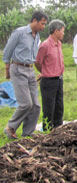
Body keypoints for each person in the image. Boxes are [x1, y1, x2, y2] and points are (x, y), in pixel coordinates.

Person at [3, 11, 48, 139]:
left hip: (29, 70)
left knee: (36, 105)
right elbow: (7, 51)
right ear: (34, 20)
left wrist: (37, 72)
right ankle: (10, 127)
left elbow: (33, 56)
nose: (43, 27)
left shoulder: (37, 36)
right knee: (26, 103)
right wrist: (7, 68)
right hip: (18, 68)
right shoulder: (20, 33)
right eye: (42, 24)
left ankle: (28, 132)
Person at [35, 19, 65, 131]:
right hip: (48, 81)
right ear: (56, 31)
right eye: (62, 31)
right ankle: (48, 129)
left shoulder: (59, 44)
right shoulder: (45, 45)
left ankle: (58, 128)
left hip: (59, 79)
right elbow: (37, 62)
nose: (63, 33)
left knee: (59, 106)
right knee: (49, 107)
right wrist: (44, 71)